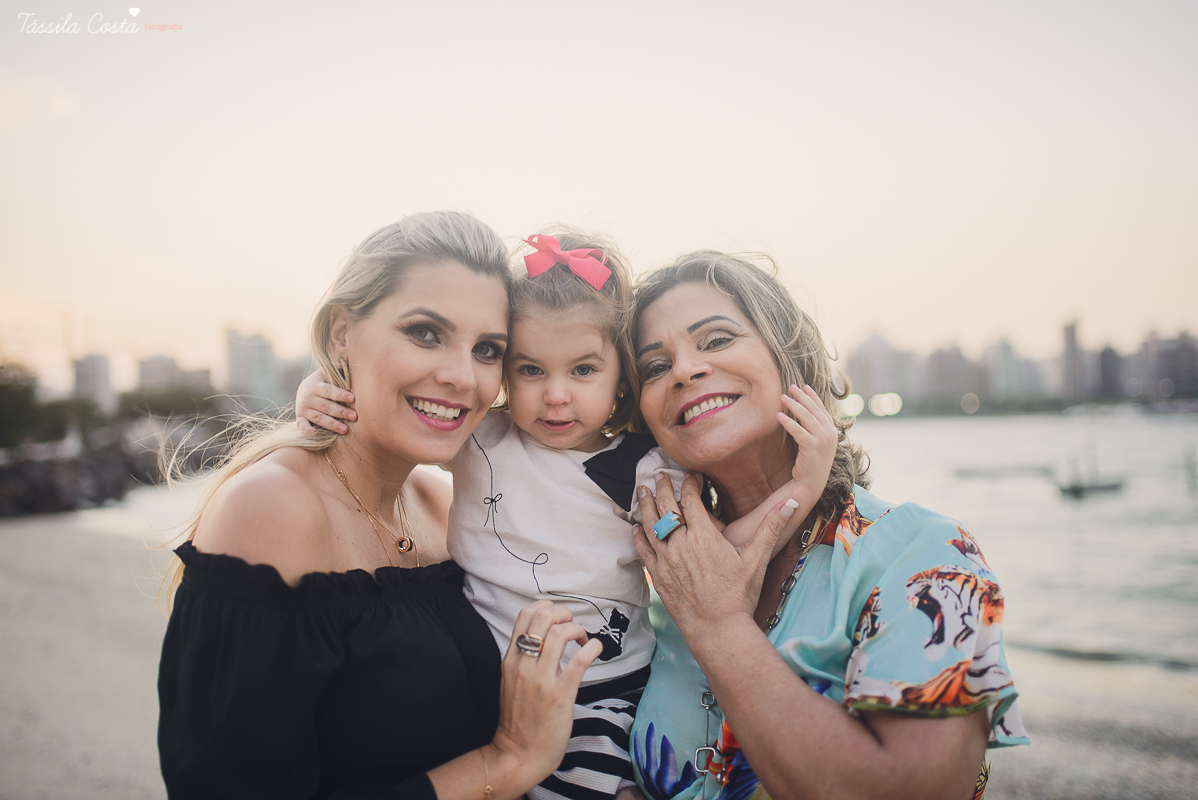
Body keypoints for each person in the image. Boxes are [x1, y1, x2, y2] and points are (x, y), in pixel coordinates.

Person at [295, 230, 839, 800]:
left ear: (621, 378)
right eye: (531, 371)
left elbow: (724, 550)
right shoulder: (480, 440)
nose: (556, 396)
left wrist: (802, 486)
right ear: (504, 372)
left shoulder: (641, 470)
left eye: (582, 371)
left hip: (604, 685)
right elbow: (385, 415)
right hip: (491, 681)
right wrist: (320, 389)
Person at [157, 212, 604, 800]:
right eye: (425, 332)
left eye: (488, 349)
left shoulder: (445, 505)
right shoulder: (272, 510)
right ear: (342, 331)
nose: (461, 376)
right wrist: (509, 762)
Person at [625, 251, 1029, 800]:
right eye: (654, 366)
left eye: (717, 339)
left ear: (787, 358)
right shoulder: (671, 578)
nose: (684, 371)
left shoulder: (920, 555)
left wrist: (718, 626)